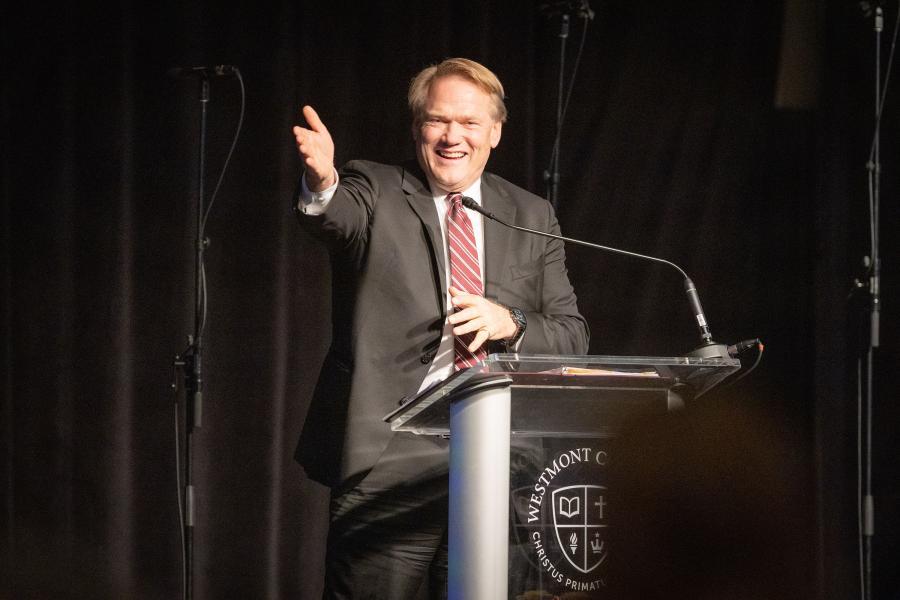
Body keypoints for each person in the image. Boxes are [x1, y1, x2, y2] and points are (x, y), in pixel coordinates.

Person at [291, 57, 589, 599]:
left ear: (495, 132)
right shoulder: (375, 187)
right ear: (417, 128)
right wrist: (324, 183)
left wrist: (511, 321)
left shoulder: (530, 213)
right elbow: (338, 215)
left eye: (470, 123)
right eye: (438, 120)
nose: (453, 137)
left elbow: (571, 334)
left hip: (499, 457)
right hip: (390, 455)